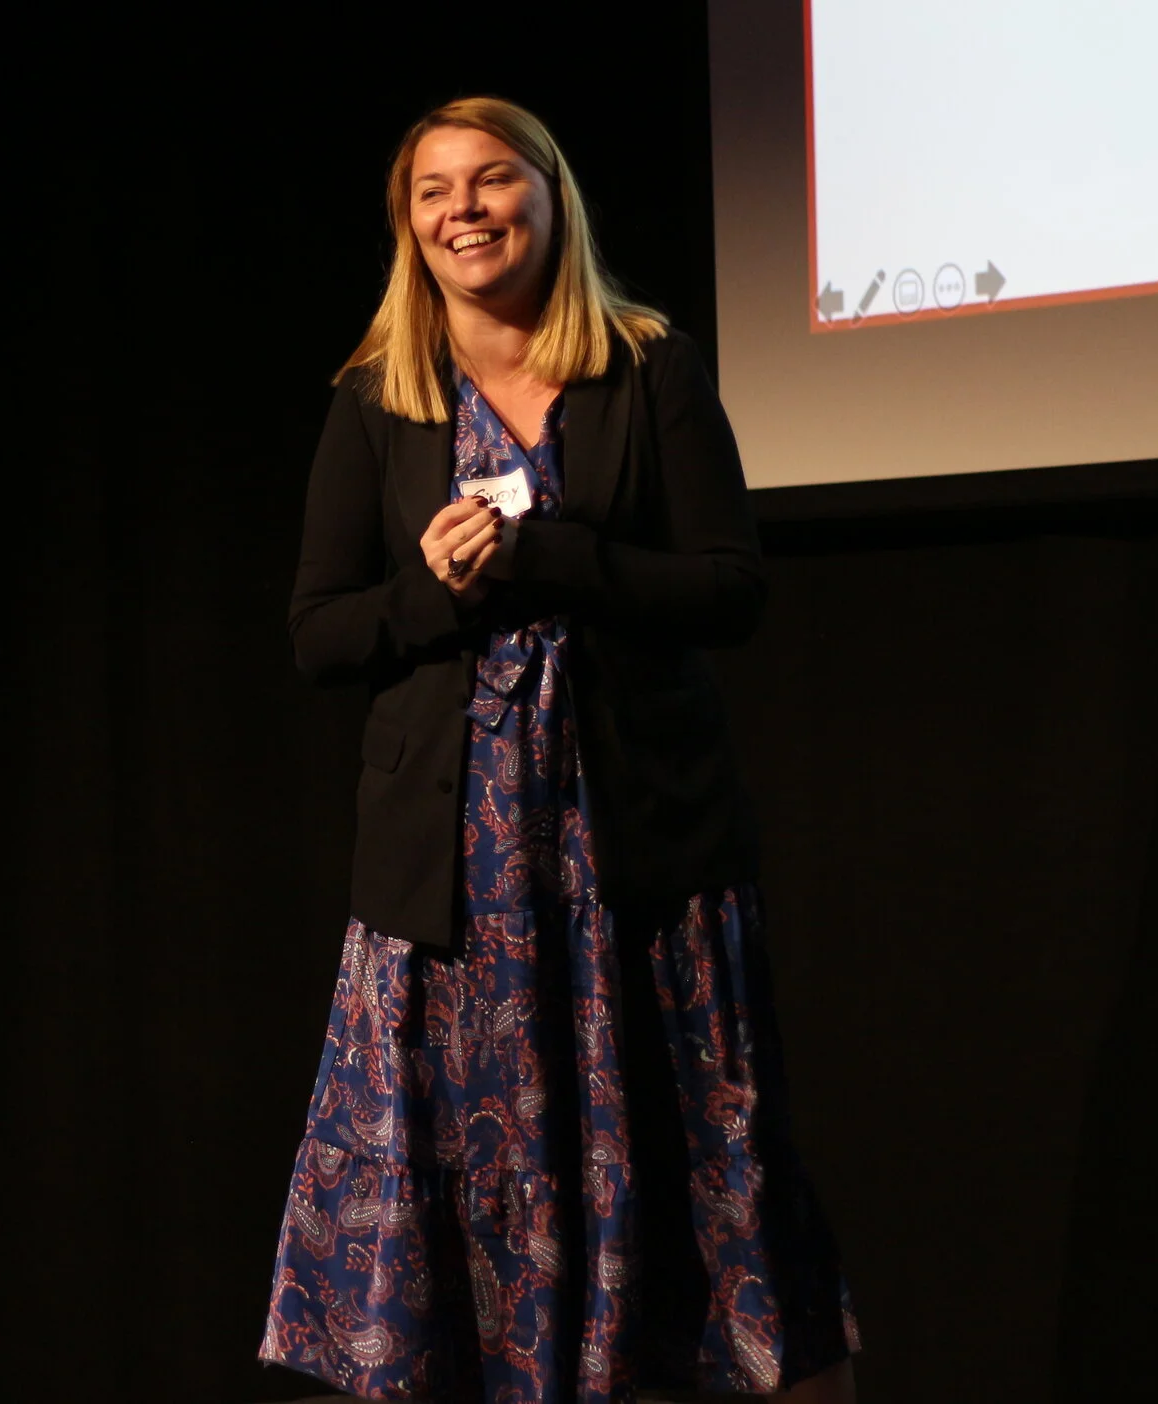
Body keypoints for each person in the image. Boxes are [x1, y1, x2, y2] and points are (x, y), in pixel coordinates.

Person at [258, 97, 861, 1403]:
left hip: (635, 862)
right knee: (456, 1194)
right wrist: (433, 590)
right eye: (433, 192)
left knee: (684, 1163)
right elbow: (318, 634)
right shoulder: (379, 402)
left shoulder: (648, 368)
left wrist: (562, 560)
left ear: (550, 198)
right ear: (409, 228)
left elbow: (731, 589)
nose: (463, 210)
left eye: (491, 181)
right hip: (453, 887)